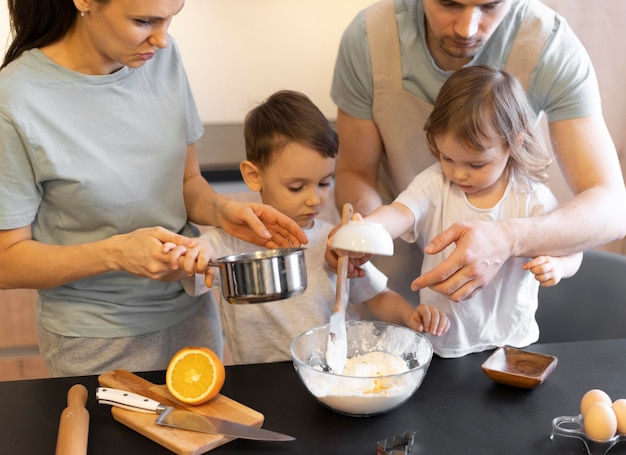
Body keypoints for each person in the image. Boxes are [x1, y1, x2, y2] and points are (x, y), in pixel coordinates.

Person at [0, 0, 307, 377]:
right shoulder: (15, 100)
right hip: (96, 341)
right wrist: (116, 254)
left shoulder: (162, 59)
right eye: (143, 21)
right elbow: (7, 261)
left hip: (192, 315)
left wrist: (222, 211)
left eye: (171, 18)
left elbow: (186, 182)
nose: (161, 39)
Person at [330, 0, 626, 303]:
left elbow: (612, 209)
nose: (466, 29)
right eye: (448, 3)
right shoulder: (369, 38)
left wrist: (508, 239)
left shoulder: (550, 45)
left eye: (490, 5)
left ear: (515, 143)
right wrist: (364, 234)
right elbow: (356, 172)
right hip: (395, 262)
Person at [167, 90, 450, 365]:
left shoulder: (335, 242)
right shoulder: (226, 244)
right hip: (261, 381)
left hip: (332, 376)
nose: (314, 199)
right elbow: (186, 264)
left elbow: (377, 297)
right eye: (297, 187)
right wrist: (192, 252)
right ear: (254, 176)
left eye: (325, 183)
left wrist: (410, 316)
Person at [346, 65, 582, 357]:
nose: (459, 174)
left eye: (476, 164)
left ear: (513, 144)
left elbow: (572, 249)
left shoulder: (532, 196)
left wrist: (558, 266)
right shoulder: (434, 184)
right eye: (447, 158)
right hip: (444, 338)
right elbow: (398, 213)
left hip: (511, 339)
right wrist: (365, 230)